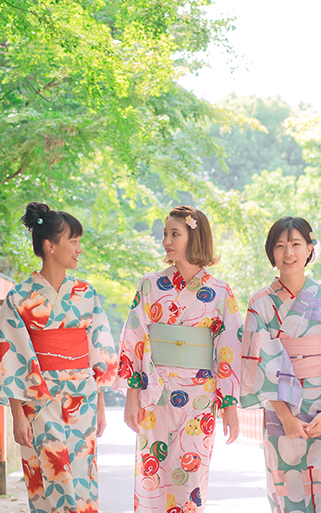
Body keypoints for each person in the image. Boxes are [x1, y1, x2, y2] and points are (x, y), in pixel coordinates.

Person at [0, 202, 119, 513]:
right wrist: (17, 415)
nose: (78, 250)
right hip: (39, 399)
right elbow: (11, 356)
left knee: (83, 479)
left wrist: (100, 403)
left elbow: (99, 347)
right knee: (50, 476)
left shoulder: (87, 294)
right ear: (50, 246)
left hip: (83, 397)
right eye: (73, 241)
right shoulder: (19, 297)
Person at [118, 205, 243, 513]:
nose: (167, 241)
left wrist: (229, 406)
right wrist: (132, 396)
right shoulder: (151, 284)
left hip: (199, 396)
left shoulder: (219, 292)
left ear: (195, 237)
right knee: (152, 475)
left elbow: (229, 350)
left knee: (190, 479)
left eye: (175, 234)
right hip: (154, 391)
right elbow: (133, 339)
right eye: (165, 234)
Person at [240, 216, 321, 513]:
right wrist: (286, 417)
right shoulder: (260, 304)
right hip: (283, 413)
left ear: (309, 249)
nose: (289, 253)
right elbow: (260, 365)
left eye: (296, 244)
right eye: (281, 246)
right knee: (287, 495)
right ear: (271, 253)